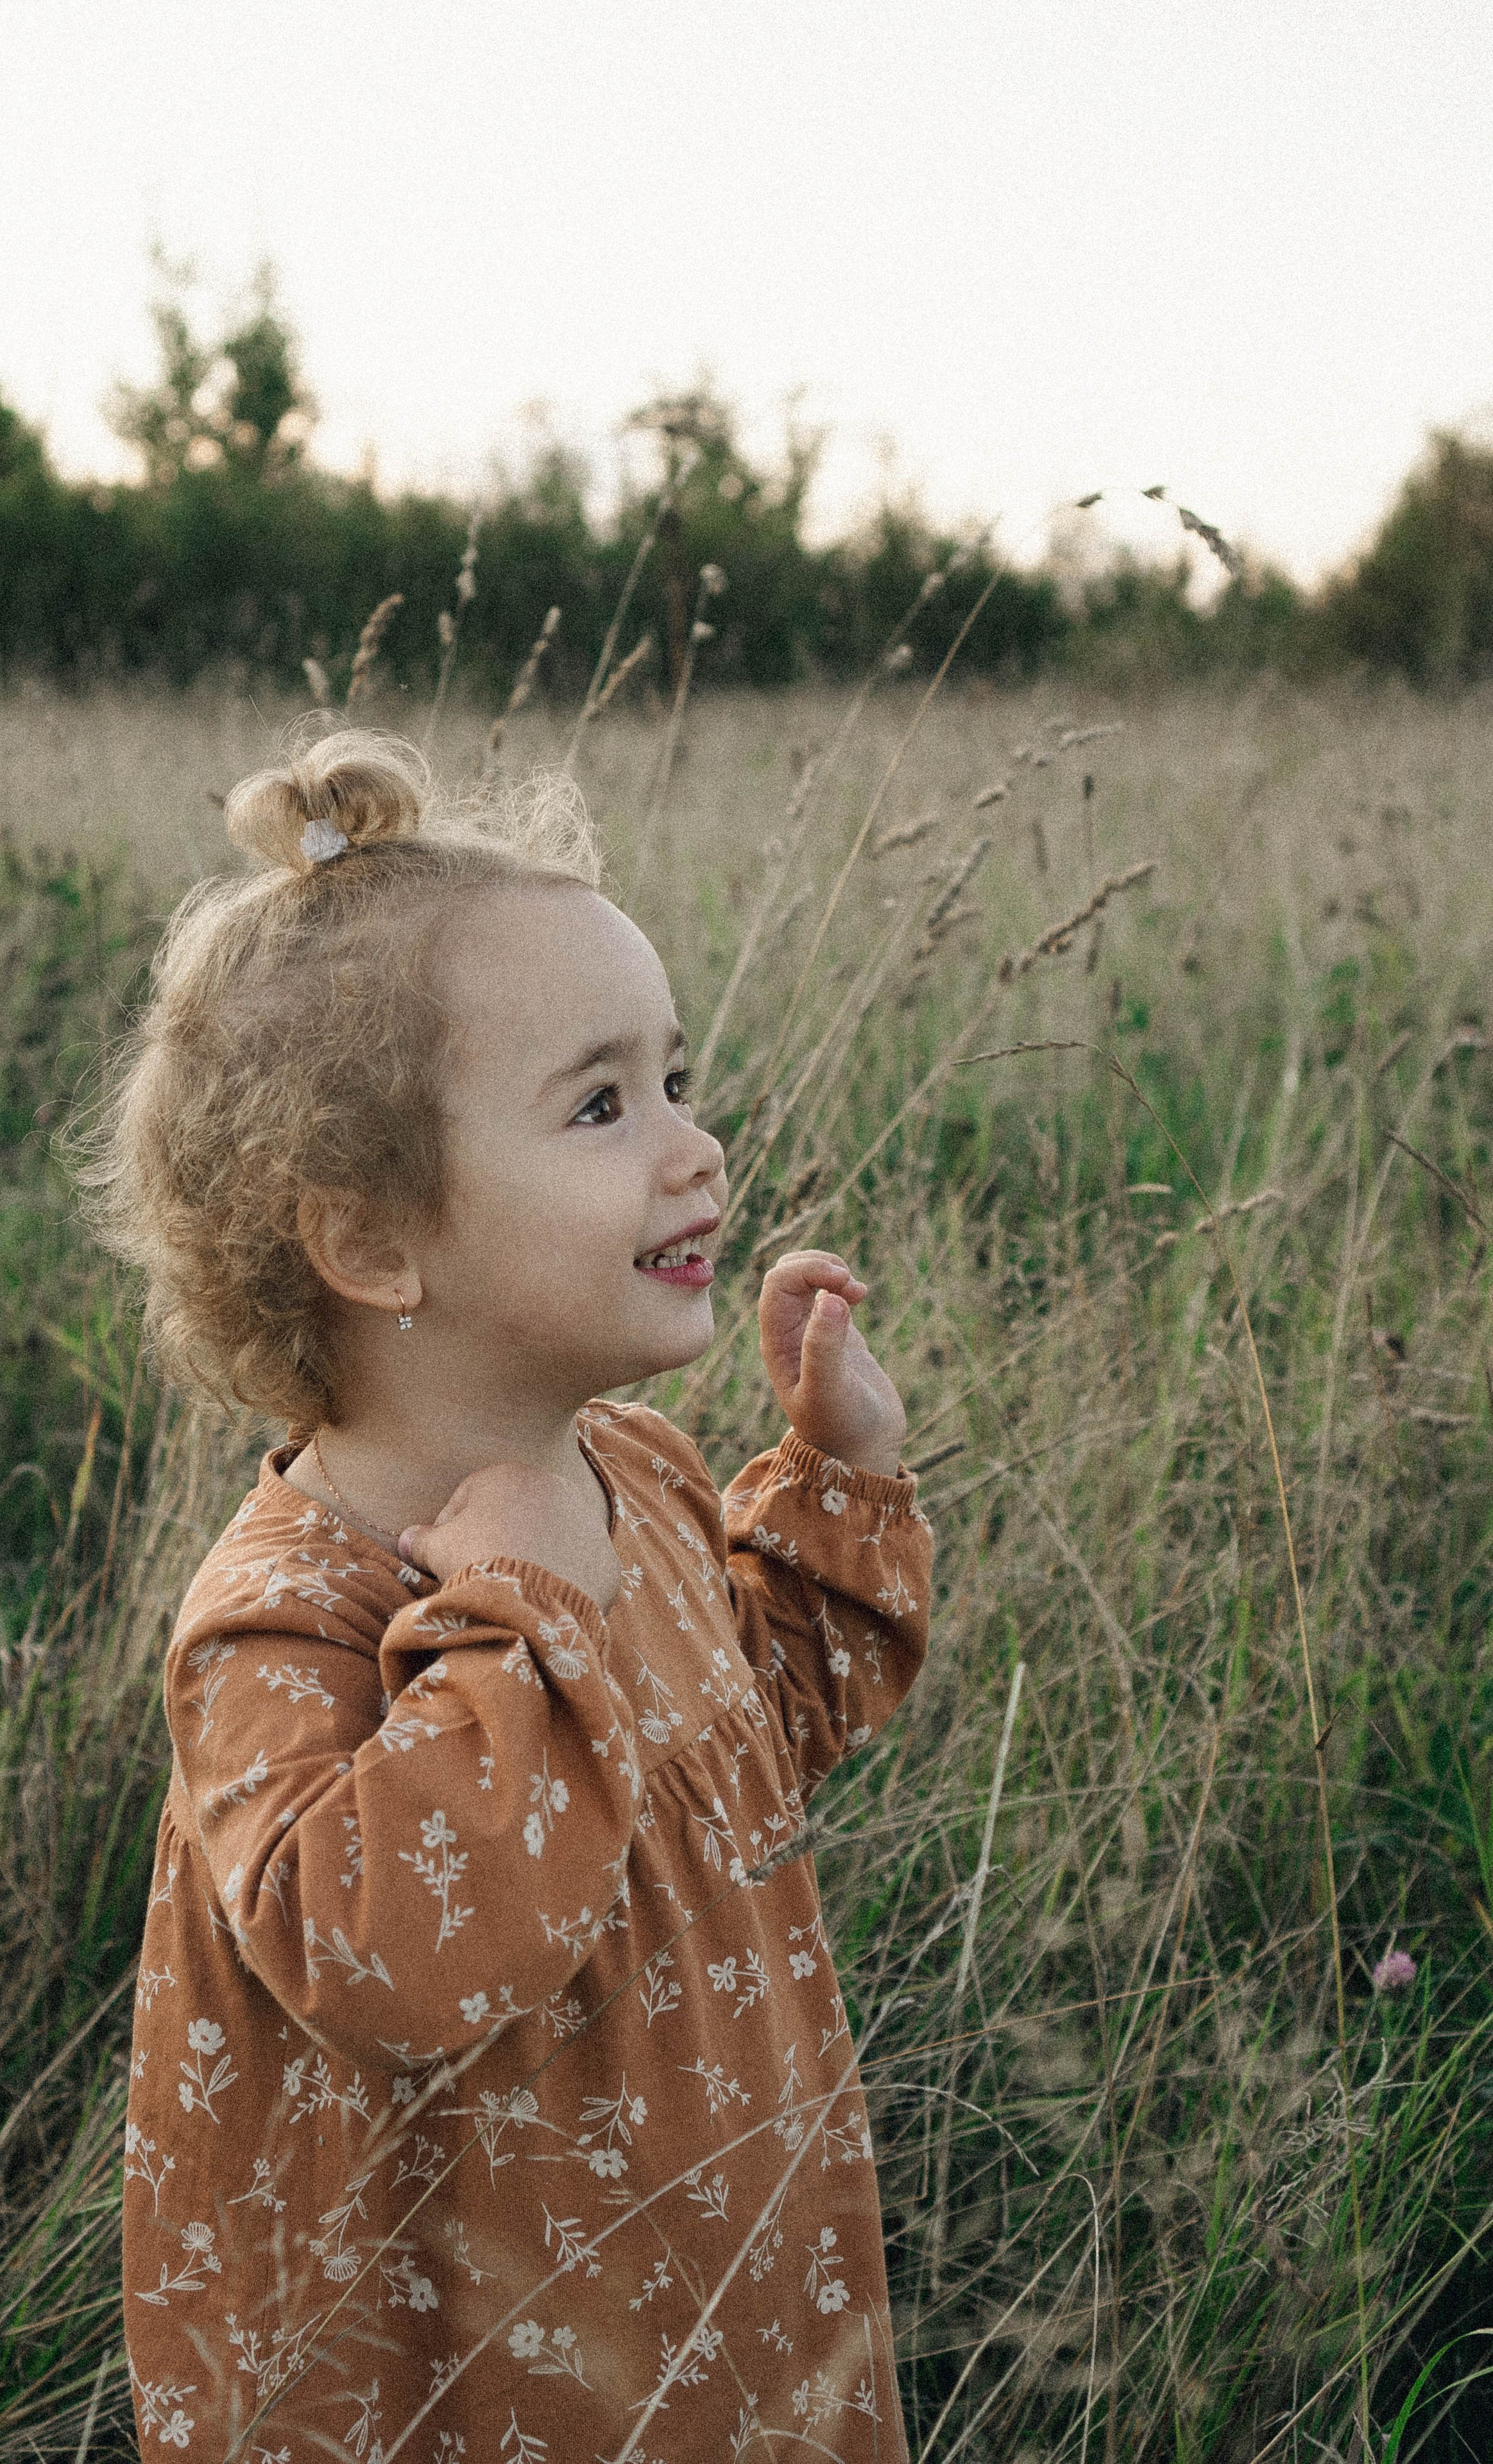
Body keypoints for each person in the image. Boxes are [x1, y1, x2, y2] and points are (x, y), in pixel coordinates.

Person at [91, 724, 935, 2463]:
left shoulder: (637, 1474)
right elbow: (393, 1957)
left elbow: (744, 1748)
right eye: (604, 1105)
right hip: (475, 2370)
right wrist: (520, 1616)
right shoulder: (286, 1617)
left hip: (720, 2277)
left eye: (677, 1079)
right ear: (375, 1244)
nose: (696, 1150)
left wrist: (838, 1488)